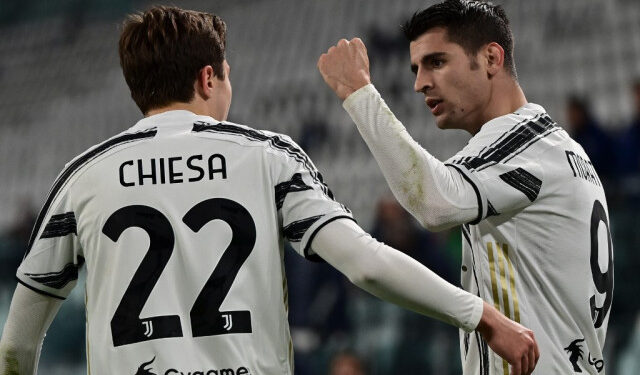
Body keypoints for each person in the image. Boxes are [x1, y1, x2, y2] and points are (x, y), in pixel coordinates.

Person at [0, 5, 537, 375]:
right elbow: (366, 264)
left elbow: (18, 343)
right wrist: (481, 315)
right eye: (227, 76)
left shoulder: (82, 176)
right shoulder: (266, 156)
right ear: (208, 78)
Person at [317, 0, 612, 374]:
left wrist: (359, 95)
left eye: (436, 62)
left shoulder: (520, 143)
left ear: (491, 58)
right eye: (416, 68)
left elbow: (434, 204)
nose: (419, 82)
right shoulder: (562, 149)